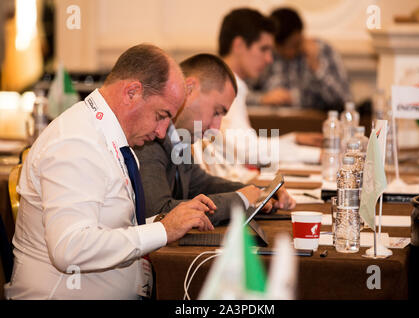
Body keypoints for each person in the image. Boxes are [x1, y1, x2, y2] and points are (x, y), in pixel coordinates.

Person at [4, 44, 216, 299]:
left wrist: (164, 222)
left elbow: (111, 228)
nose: (162, 132)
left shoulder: (110, 139)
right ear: (132, 92)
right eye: (161, 115)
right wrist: (163, 231)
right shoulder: (76, 141)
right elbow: (70, 249)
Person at [135, 54, 295, 226]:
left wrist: (260, 193)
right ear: (189, 89)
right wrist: (240, 199)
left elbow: (199, 183)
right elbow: (159, 214)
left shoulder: (177, 136)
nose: (216, 127)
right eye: (217, 111)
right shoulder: (151, 137)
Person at [194, 8, 321, 183]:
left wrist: (294, 139)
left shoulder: (231, 84)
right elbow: (245, 150)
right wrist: (314, 155)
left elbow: (244, 143)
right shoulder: (222, 88)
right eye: (264, 49)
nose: (269, 59)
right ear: (238, 45)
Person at [247, 7, 352, 111]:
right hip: (271, 124)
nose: (289, 52)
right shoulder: (266, 54)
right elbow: (240, 93)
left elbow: (344, 100)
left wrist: (316, 67)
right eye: (282, 48)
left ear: (300, 34)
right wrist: (262, 99)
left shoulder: (323, 51)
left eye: (295, 45)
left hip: (312, 123)